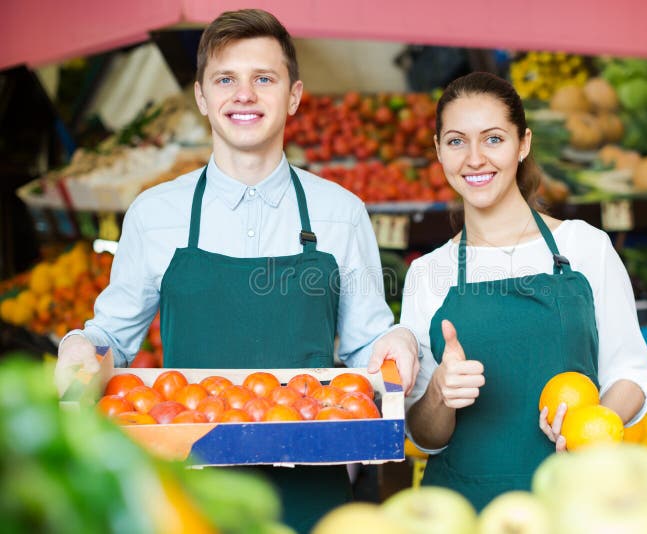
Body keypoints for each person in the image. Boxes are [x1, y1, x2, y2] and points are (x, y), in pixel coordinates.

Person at [54, 9, 420, 533]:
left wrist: (398, 342)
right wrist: (78, 345)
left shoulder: (341, 211)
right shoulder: (155, 215)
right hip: (190, 486)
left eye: (263, 79)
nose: (243, 95)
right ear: (202, 97)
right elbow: (113, 338)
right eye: (225, 79)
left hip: (312, 482)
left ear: (293, 95)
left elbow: (368, 346)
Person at [401, 72, 647, 511]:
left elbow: (631, 372)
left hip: (575, 502)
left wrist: (598, 424)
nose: (475, 158)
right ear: (439, 149)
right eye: (458, 141)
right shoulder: (428, 272)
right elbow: (424, 435)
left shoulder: (585, 247)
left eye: (494, 139)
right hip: (464, 510)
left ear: (523, 143)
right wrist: (440, 392)